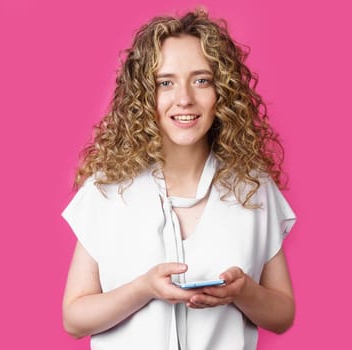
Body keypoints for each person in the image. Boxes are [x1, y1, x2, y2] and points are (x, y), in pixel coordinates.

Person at [61, 9, 296, 350]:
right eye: (165, 83)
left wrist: (243, 292)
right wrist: (143, 289)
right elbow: (74, 319)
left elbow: (283, 315)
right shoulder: (108, 188)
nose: (184, 98)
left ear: (222, 92)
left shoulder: (253, 189)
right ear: (144, 96)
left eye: (201, 80)